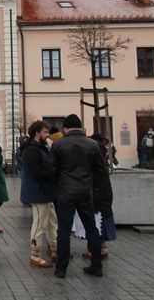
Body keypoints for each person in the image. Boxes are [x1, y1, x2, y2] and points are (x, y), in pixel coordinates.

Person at [49, 114, 108, 279]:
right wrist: (91, 185)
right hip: (85, 192)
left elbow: (52, 170)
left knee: (64, 230)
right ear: (80, 127)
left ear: (66, 128)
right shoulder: (92, 145)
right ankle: (97, 265)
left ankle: (61, 268)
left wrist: (58, 185)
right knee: (91, 229)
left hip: (65, 193)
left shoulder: (58, 144)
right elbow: (101, 171)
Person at [19, 121, 56, 268]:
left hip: (45, 190)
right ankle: (35, 255)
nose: (48, 135)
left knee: (52, 221)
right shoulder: (32, 149)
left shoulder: (39, 147)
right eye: (45, 132)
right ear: (37, 133)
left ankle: (55, 249)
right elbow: (36, 172)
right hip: (38, 191)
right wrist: (53, 174)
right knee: (40, 223)